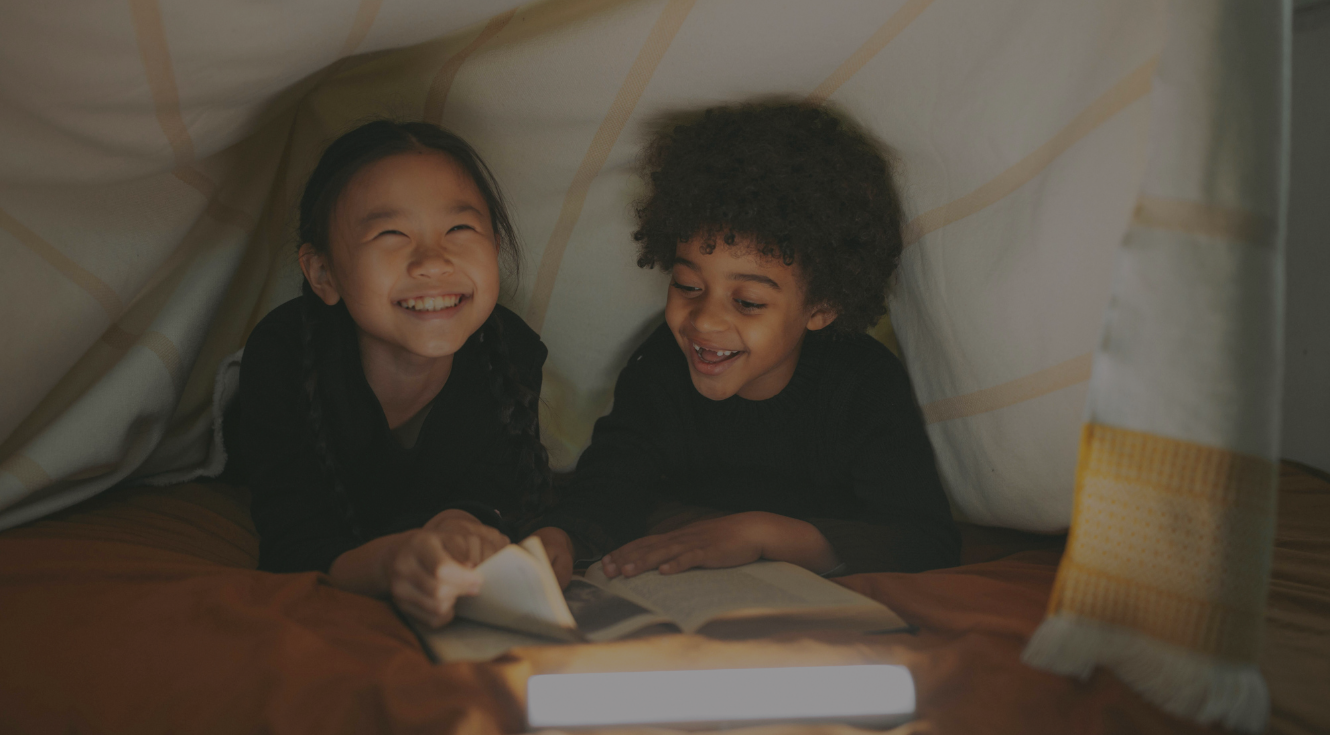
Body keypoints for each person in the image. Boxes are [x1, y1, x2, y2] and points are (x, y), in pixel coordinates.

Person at [541, 102, 960, 579]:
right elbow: (612, 481)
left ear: (821, 307)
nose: (705, 322)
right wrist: (563, 537)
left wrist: (761, 534)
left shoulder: (863, 386)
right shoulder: (661, 365)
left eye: (749, 302)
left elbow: (925, 542)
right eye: (688, 286)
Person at [223, 120, 576, 628]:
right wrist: (393, 563)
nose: (433, 262)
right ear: (323, 273)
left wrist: (460, 528)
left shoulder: (510, 352)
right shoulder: (282, 355)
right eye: (391, 234)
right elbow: (293, 541)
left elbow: (491, 494)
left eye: (459, 230)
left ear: (494, 247)